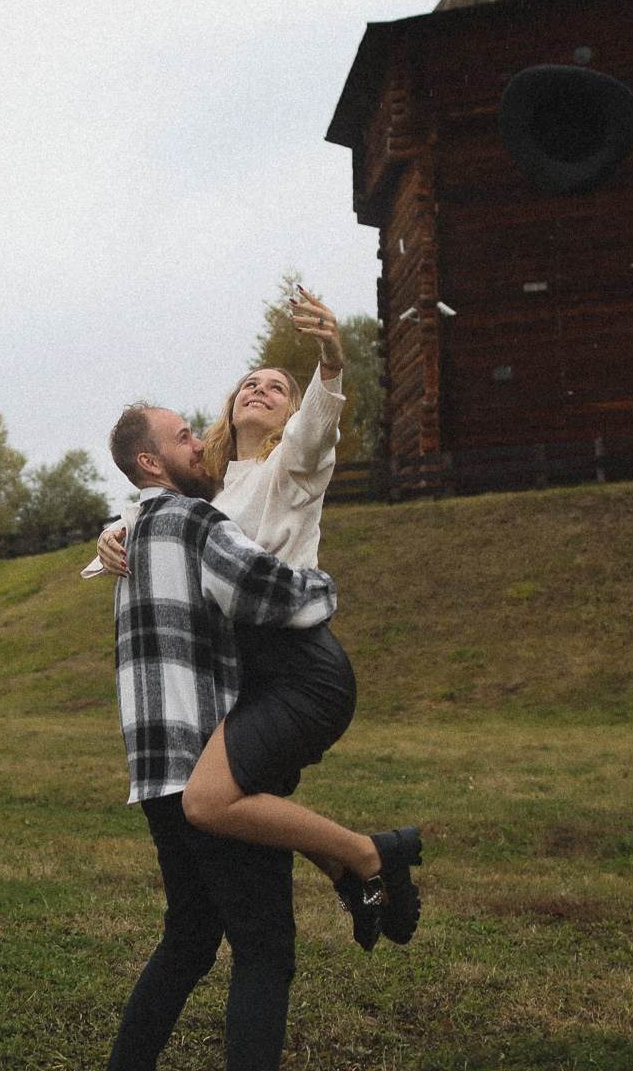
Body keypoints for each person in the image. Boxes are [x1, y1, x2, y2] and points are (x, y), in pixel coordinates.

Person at [76, 401, 376, 1071]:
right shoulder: (188, 519)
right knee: (265, 951)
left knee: (187, 937)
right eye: (181, 436)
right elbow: (277, 593)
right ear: (148, 463)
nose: (197, 442)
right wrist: (327, 583)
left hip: (154, 771)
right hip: (214, 769)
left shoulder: (135, 530)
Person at [87, 288, 421, 950]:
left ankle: (374, 858)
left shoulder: (289, 467)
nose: (260, 389)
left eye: (277, 387)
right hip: (250, 679)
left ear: (289, 416)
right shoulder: (216, 489)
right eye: (249, 382)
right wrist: (107, 536)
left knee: (214, 803)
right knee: (259, 814)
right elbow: (155, 513)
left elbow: (320, 423)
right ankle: (367, 884)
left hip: (300, 664)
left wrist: (330, 356)